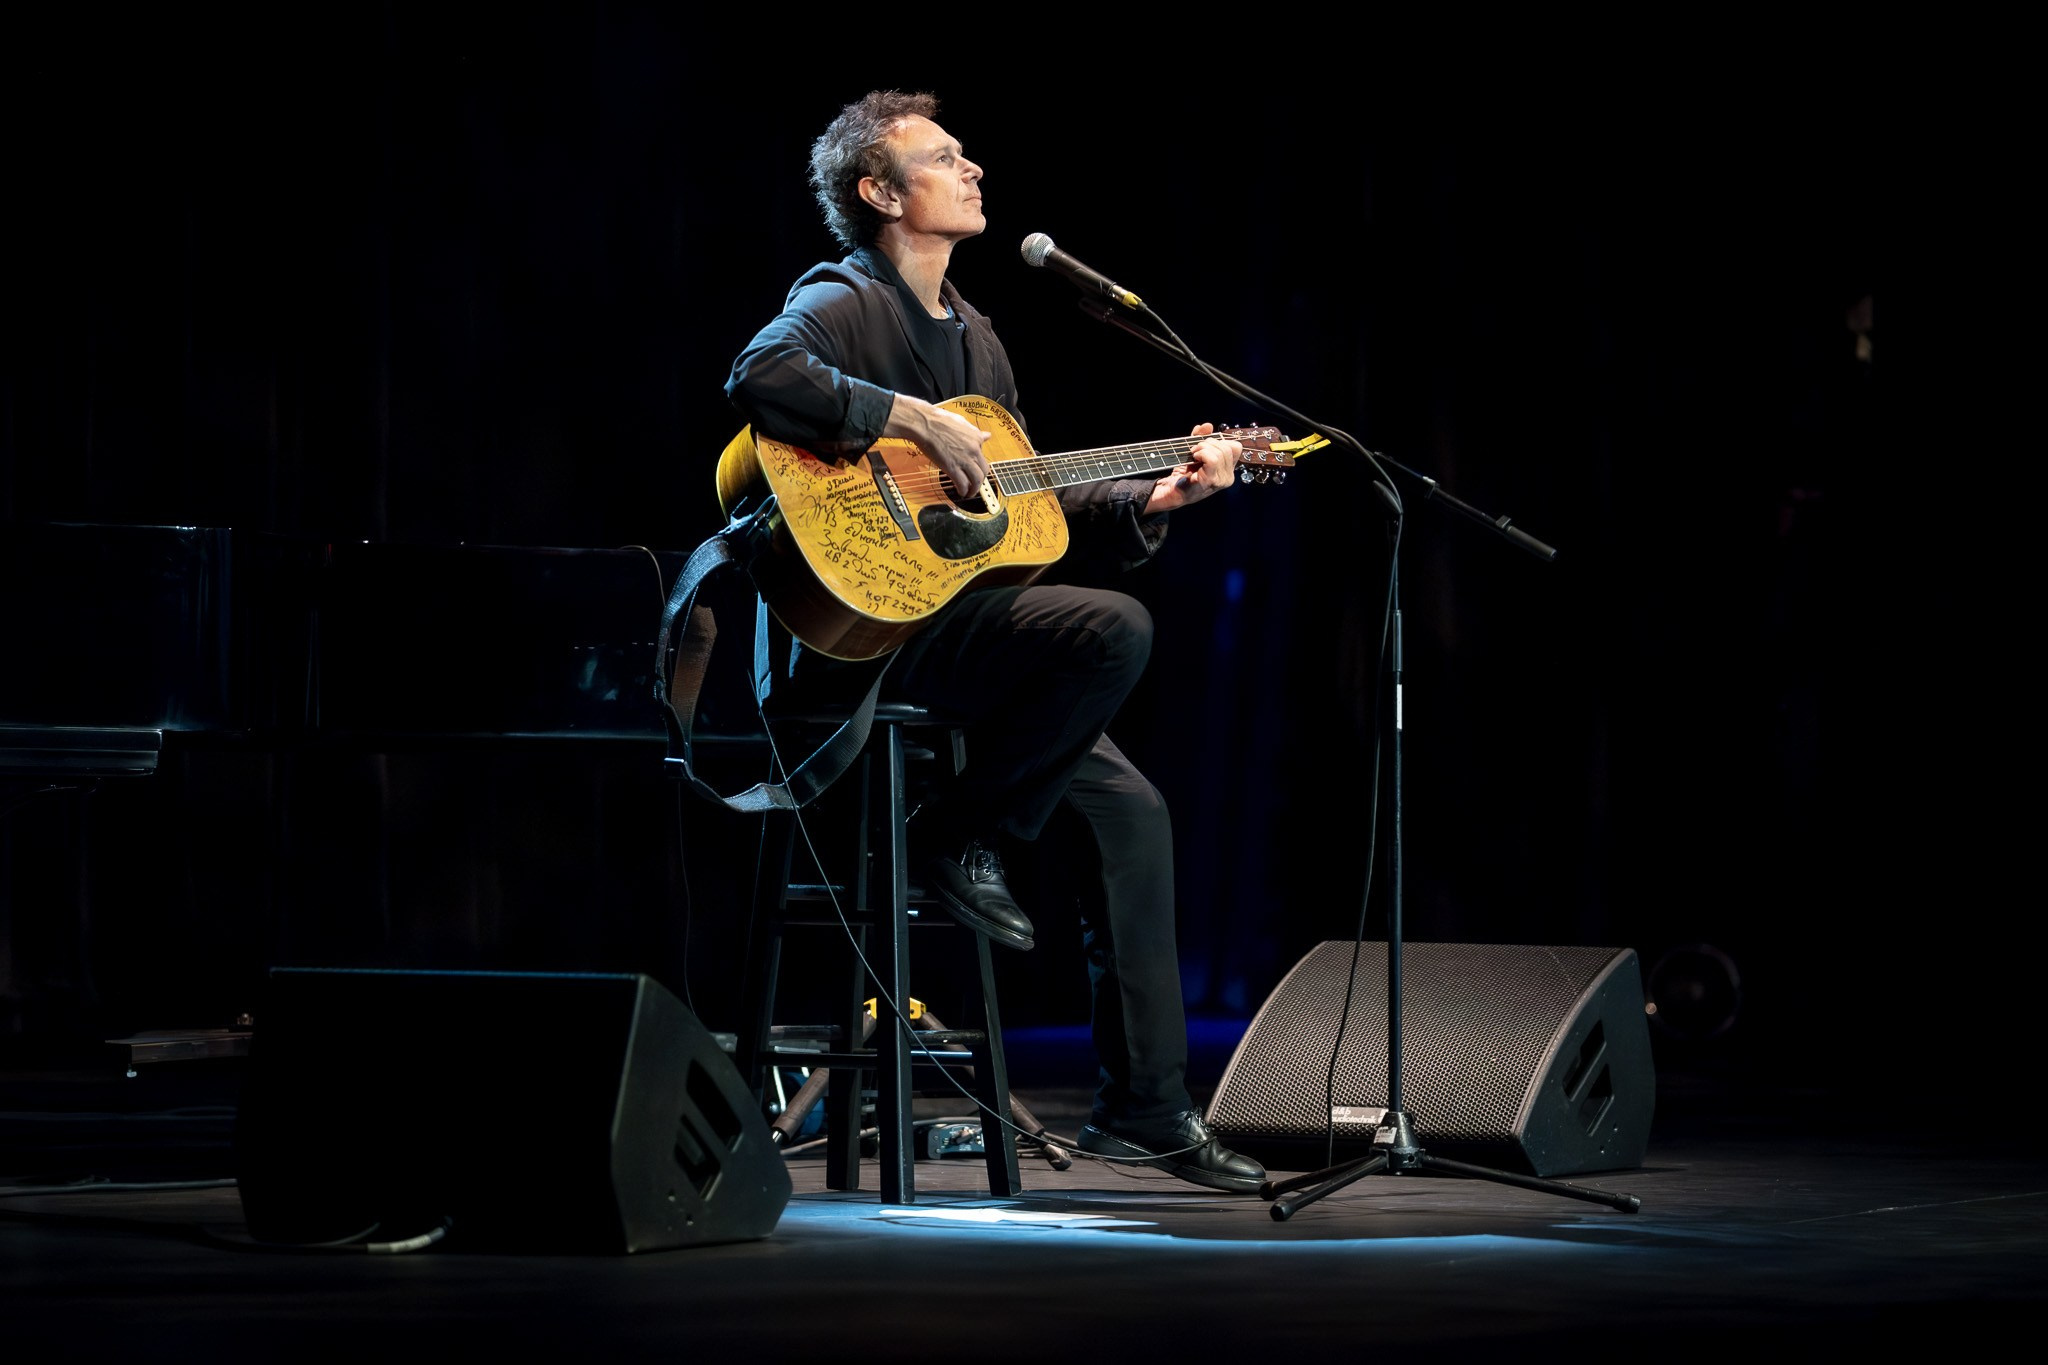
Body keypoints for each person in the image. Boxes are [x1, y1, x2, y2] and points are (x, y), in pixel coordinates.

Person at [724, 90, 1263, 1193]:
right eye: (943, 158)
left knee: (1133, 814)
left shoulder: (977, 338)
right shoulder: (841, 300)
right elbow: (758, 381)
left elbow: (1015, 514)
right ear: (880, 194)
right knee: (1110, 628)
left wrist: (1150, 501)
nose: (972, 169)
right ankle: (955, 836)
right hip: (860, 643)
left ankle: (1145, 1111)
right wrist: (908, 418)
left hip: (957, 640)